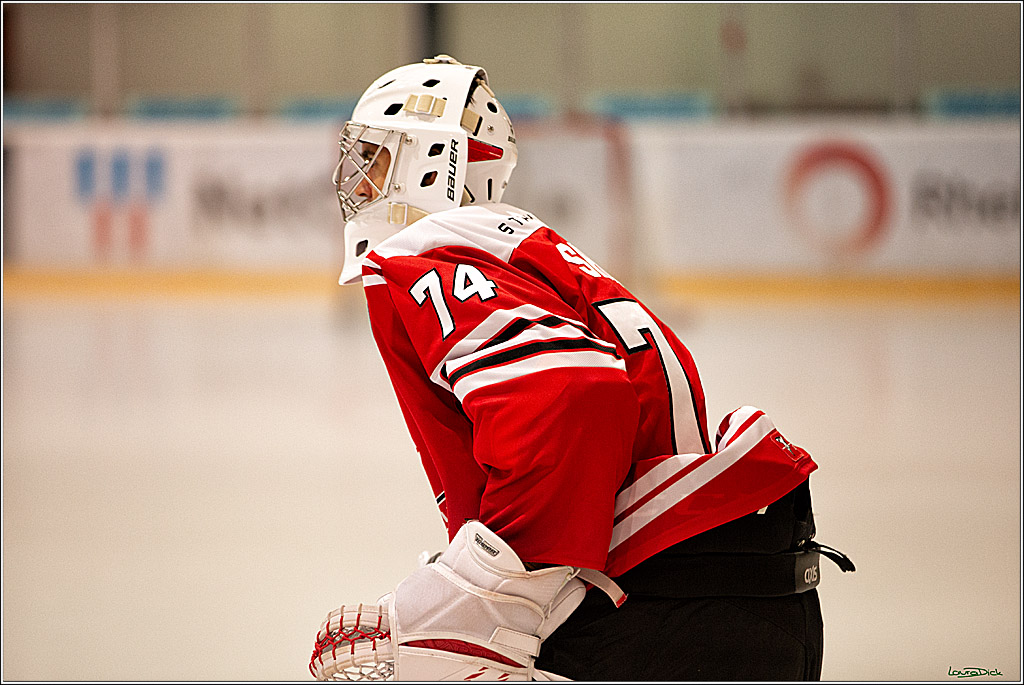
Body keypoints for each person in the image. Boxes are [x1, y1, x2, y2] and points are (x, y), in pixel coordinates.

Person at [315, 55, 853, 681]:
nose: (356, 176)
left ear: (434, 161)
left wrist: (498, 592)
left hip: (656, 615)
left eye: (378, 154)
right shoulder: (523, 253)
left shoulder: (429, 252)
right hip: (732, 593)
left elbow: (573, 394)